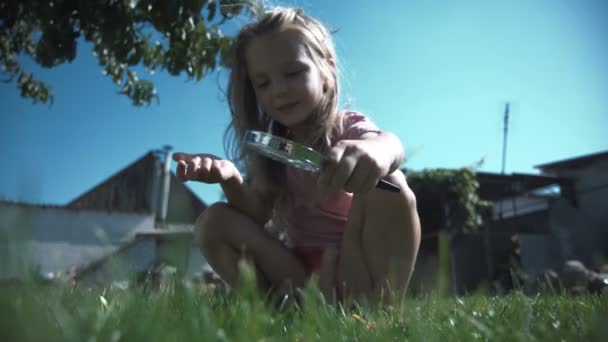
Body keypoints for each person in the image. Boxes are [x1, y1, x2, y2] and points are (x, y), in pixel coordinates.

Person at [173, 7, 421, 303]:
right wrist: (229, 178)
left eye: (293, 72)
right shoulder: (273, 150)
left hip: (357, 269)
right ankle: (273, 311)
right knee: (213, 222)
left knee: (391, 184)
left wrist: (372, 152)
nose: (279, 90)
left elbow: (390, 145)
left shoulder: (346, 126)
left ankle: (379, 308)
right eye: (263, 83)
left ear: (326, 71)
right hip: (298, 276)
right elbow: (256, 216)